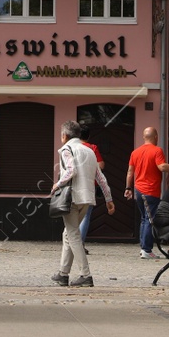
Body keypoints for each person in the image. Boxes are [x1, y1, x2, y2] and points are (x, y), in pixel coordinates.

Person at [52, 120, 114, 287]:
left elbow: (70, 171)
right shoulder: (89, 151)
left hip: (72, 197)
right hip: (87, 199)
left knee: (73, 234)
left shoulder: (67, 149)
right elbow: (101, 178)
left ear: (64, 136)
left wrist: (57, 185)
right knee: (68, 234)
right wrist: (108, 199)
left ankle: (85, 275)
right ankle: (63, 274)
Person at [124, 126, 169, 259]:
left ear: (144, 137)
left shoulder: (135, 152)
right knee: (150, 220)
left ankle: (144, 247)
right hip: (151, 190)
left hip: (138, 190)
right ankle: (146, 249)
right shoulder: (157, 151)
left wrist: (128, 188)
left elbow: (130, 172)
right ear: (156, 137)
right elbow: (161, 167)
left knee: (144, 219)